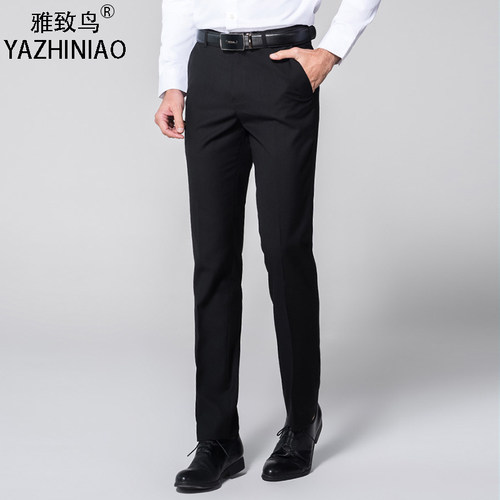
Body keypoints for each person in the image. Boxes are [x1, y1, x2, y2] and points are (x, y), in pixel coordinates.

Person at [154, 0, 381, 492]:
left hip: (281, 70)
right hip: (208, 71)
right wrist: (172, 81)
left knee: (285, 251)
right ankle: (217, 440)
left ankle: (301, 421)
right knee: (212, 261)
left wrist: (330, 52)